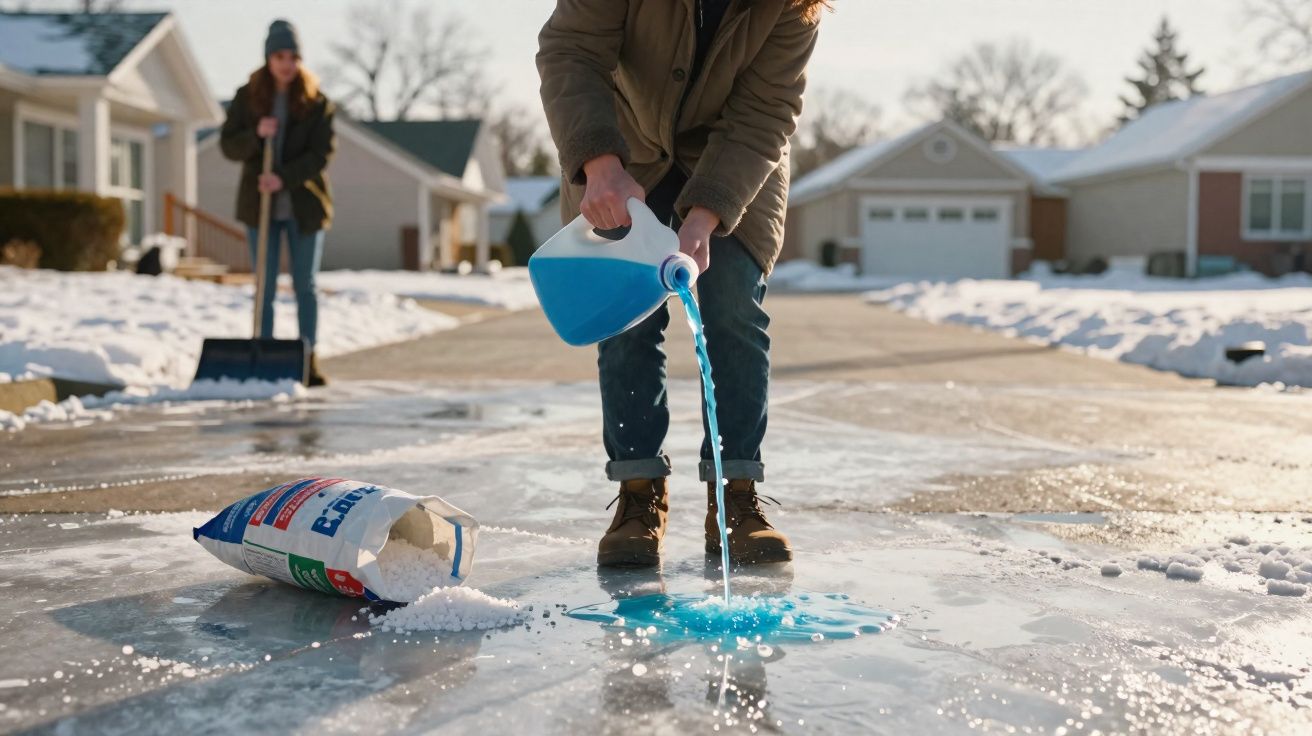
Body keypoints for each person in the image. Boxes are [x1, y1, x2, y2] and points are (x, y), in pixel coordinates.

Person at [537, 0, 826, 567]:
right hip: (619, 150)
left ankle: (734, 493)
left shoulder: (794, 8)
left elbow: (766, 112)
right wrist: (598, 163)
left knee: (733, 303)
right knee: (627, 316)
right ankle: (639, 492)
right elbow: (570, 50)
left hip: (734, 161)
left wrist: (707, 216)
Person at [220, 19, 336, 386]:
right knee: (264, 285)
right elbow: (227, 144)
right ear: (268, 58)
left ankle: (308, 358)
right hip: (261, 208)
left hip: (304, 208)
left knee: (305, 286)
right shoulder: (248, 96)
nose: (286, 63)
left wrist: (282, 178)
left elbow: (321, 154)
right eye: (279, 55)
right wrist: (256, 134)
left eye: (292, 56)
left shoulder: (317, 103)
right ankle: (264, 354)